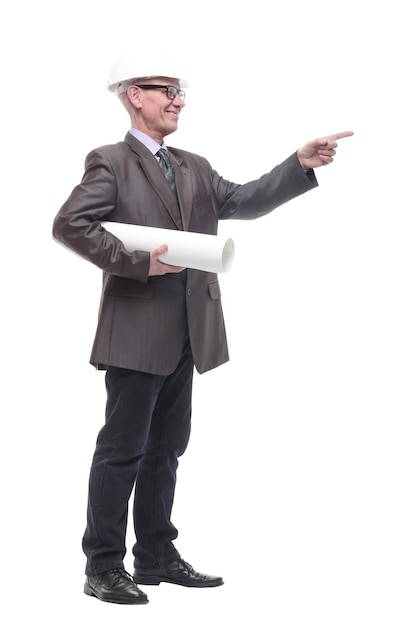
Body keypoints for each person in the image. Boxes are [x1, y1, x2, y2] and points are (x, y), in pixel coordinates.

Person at [52, 50, 353, 605]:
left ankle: (156, 556)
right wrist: (140, 262)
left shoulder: (192, 164)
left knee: (167, 448)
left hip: (190, 328)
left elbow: (245, 200)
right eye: (164, 90)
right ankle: (102, 566)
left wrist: (300, 163)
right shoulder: (110, 161)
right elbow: (70, 225)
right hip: (136, 329)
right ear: (133, 95)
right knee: (122, 450)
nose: (177, 100)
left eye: (180, 91)